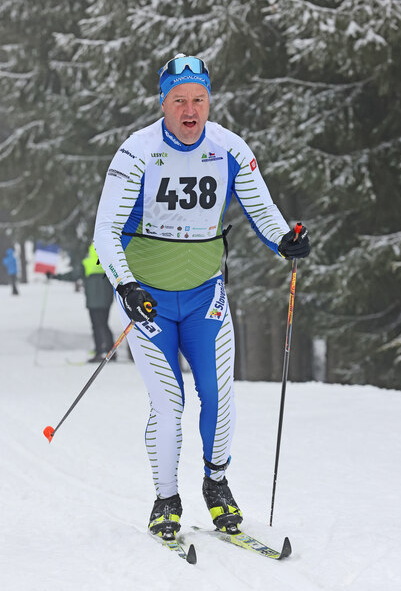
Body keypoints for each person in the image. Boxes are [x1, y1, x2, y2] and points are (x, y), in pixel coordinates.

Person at [93, 54, 310, 539]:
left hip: (204, 300)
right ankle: (166, 499)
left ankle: (216, 483)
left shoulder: (229, 148)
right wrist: (125, 284)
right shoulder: (137, 151)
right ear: (163, 103)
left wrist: (285, 239)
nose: (189, 110)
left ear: (209, 101)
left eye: (198, 99)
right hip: (146, 301)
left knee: (217, 393)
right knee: (170, 402)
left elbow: (261, 208)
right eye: (179, 100)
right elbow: (105, 229)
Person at [81, 243, 115, 362]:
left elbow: (74, 274)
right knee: (104, 324)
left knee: (96, 326)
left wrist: (53, 275)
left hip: (92, 301)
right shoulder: (108, 261)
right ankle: (111, 351)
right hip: (106, 300)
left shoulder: (87, 262)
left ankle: (100, 352)